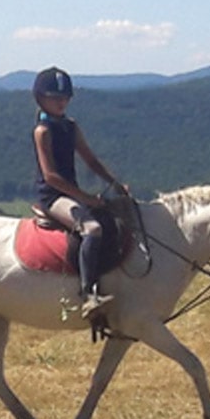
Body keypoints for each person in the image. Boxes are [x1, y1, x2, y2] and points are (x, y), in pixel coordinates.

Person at [32, 66, 128, 320]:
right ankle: (88, 296)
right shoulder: (42, 132)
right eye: (55, 97)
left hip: (72, 193)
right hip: (53, 197)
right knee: (92, 229)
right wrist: (85, 198)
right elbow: (51, 176)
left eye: (65, 97)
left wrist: (115, 184)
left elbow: (91, 161)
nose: (61, 101)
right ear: (41, 99)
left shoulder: (71, 127)